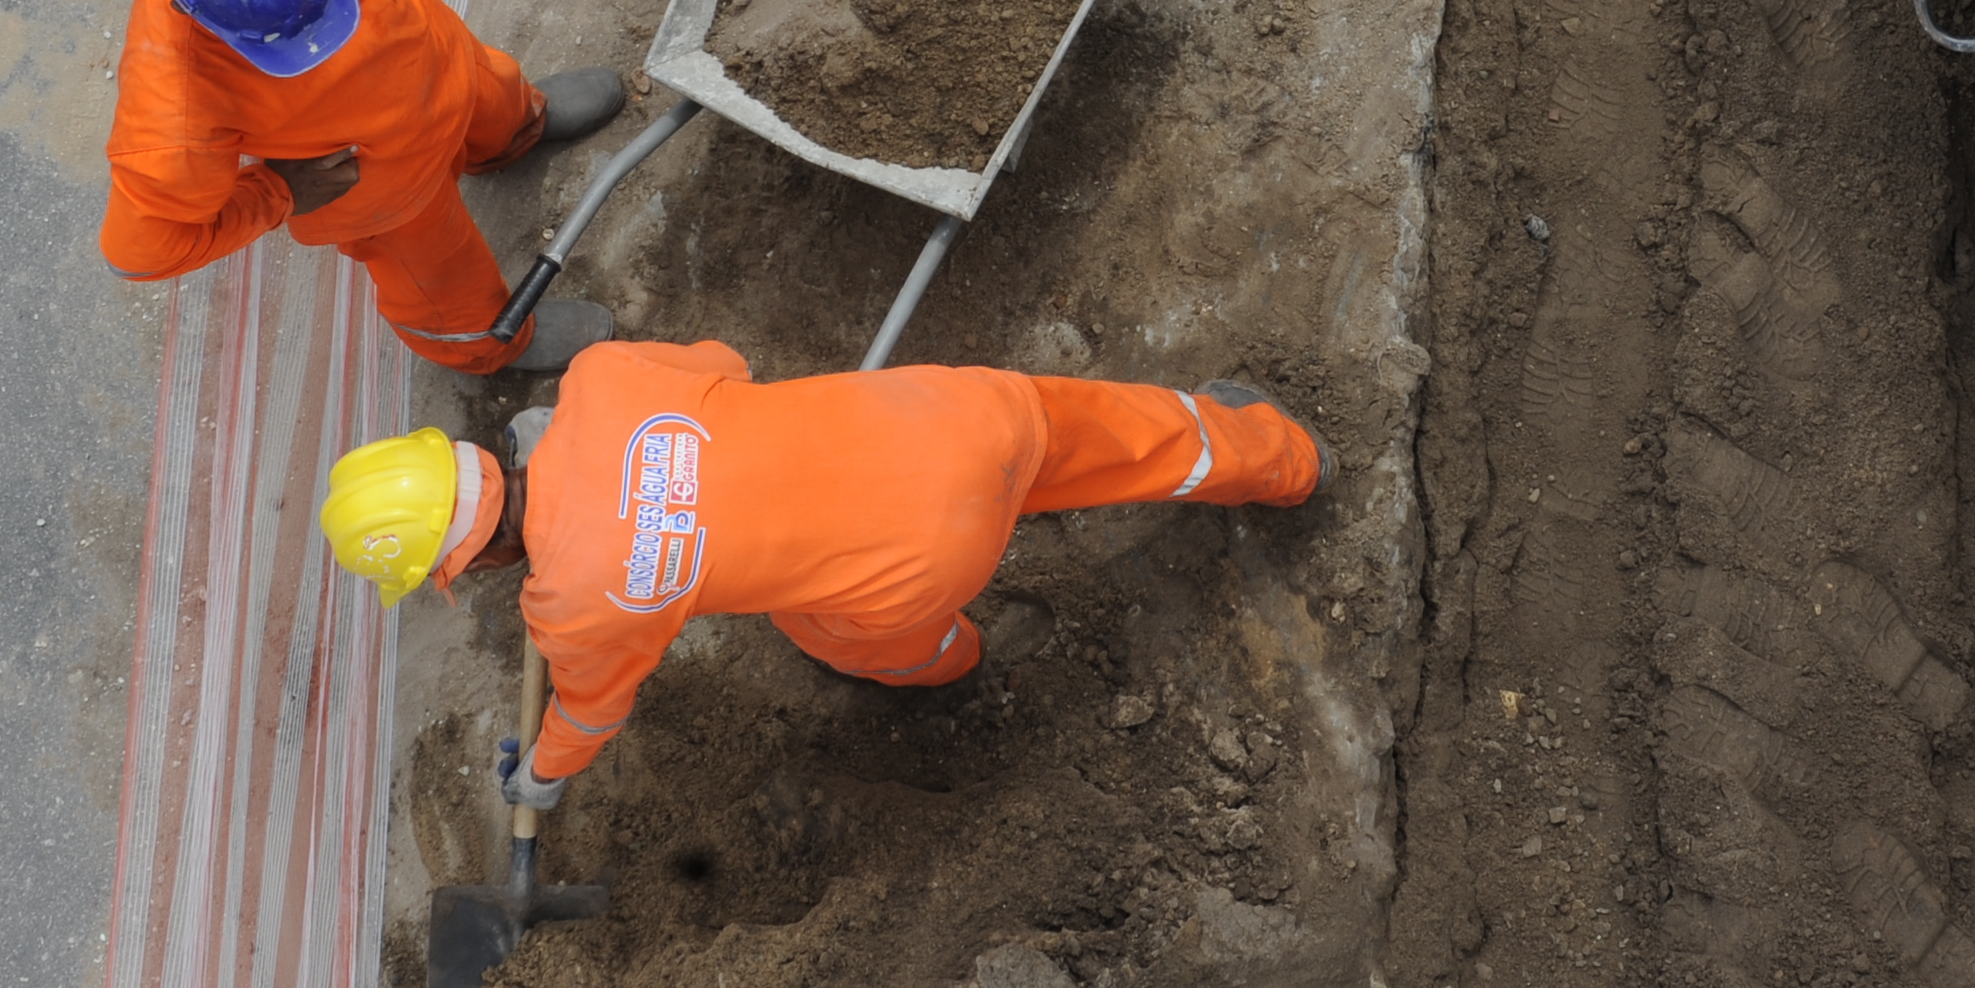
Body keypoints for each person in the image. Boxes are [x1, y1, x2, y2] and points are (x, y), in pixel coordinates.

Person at [316, 342, 1323, 802]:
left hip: (922, 557)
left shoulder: (576, 606)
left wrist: (541, 776)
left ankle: (953, 664)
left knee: (821, 622)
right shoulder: (597, 379)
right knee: (1114, 432)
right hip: (951, 413)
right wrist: (605, 441)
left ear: (477, 557)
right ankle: (1274, 453)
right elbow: (727, 362)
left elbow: (588, 711)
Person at [101, 0, 627, 373]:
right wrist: (280, 195)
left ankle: (512, 133)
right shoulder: (172, 114)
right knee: (437, 271)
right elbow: (139, 251)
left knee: (491, 91)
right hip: (382, 188)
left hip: (434, 56)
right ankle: (489, 341)